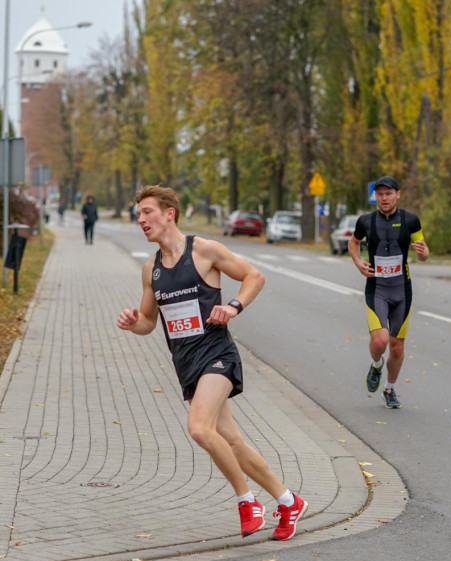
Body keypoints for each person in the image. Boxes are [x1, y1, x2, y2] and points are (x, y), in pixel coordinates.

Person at [117, 185, 308, 541]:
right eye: (138, 214)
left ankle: (247, 501)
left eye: (147, 212)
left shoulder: (203, 250)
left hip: (217, 354)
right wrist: (133, 325)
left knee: (200, 429)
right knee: (230, 439)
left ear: (169, 212)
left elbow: (255, 276)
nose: (140, 219)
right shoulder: (151, 270)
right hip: (186, 364)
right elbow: (147, 322)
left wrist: (234, 306)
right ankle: (288, 500)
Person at [348, 175, 430, 409]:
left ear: (397, 195)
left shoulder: (410, 220)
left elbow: (424, 254)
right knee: (380, 341)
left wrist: (423, 252)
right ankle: (376, 365)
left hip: (402, 290)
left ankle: (390, 388)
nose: (384, 198)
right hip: (377, 288)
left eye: (388, 194)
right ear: (375, 196)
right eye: (380, 194)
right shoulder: (365, 221)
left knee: (397, 345)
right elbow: (353, 243)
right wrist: (358, 261)